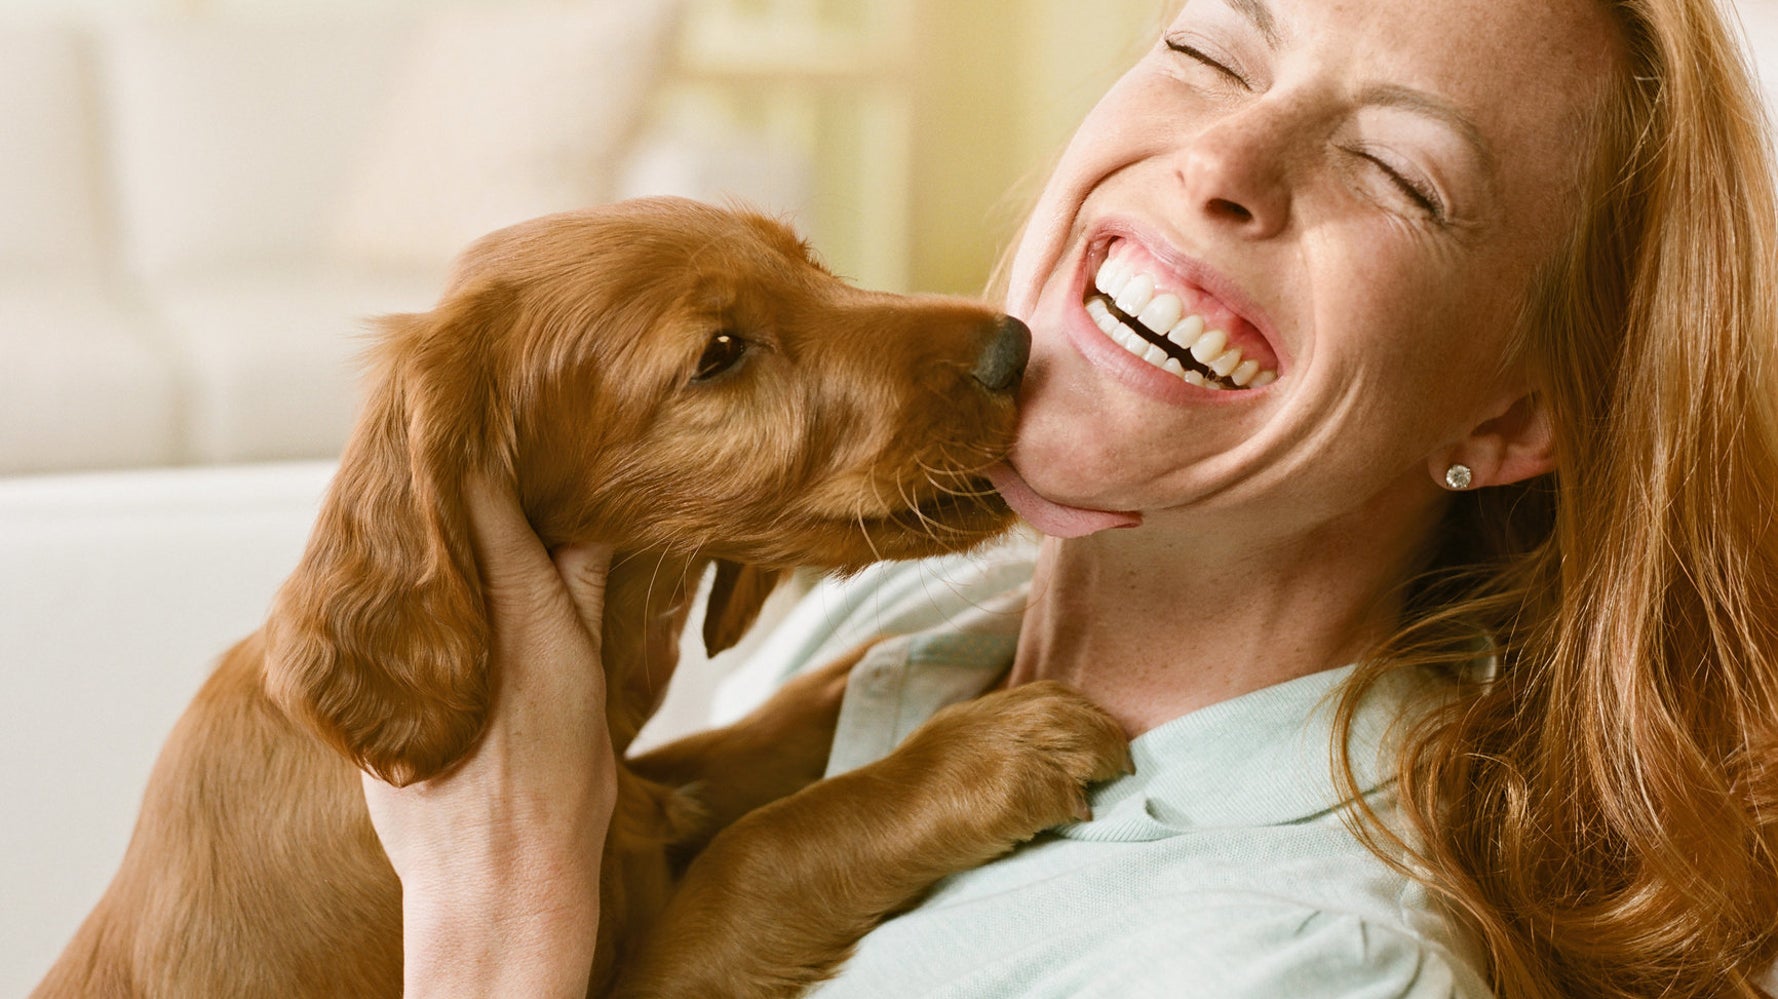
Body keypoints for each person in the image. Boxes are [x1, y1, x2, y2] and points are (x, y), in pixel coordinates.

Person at [362, 0, 1778, 995]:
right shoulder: (923, 599)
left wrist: (492, 943)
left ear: (1514, 414)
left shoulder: (1300, 964)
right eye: (1210, 49)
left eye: (1397, 171)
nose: (1221, 160)